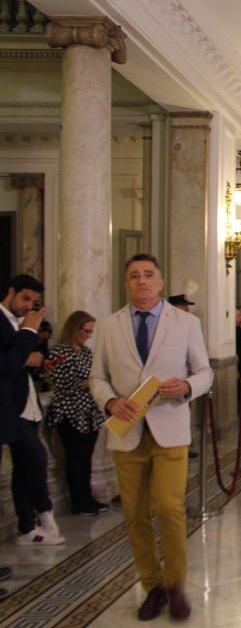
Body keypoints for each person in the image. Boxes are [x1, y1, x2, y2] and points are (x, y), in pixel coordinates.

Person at [90, 253, 213, 621]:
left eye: (148, 275)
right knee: (135, 514)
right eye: (134, 276)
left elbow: (205, 372)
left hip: (170, 428)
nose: (141, 281)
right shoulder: (109, 326)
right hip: (127, 433)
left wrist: (187, 385)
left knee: (169, 508)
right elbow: (97, 377)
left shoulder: (186, 323)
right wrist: (110, 400)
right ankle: (153, 586)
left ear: (160, 282)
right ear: (126, 284)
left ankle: (176, 586)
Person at [0, 274, 64, 546]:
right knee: (35, 458)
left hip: (26, 402)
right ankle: (42, 520)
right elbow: (7, 364)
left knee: (27, 464)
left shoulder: (19, 322)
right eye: (25, 298)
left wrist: (36, 362)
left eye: (34, 302)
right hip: (10, 407)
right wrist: (28, 335)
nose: (29, 306)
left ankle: (28, 526)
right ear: (10, 291)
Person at [47, 311, 108, 515]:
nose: (89, 335)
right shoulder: (60, 352)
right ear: (75, 328)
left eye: (92, 331)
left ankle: (87, 496)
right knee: (75, 457)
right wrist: (90, 383)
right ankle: (78, 500)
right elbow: (63, 384)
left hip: (89, 411)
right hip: (70, 411)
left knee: (87, 456)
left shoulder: (86, 352)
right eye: (87, 330)